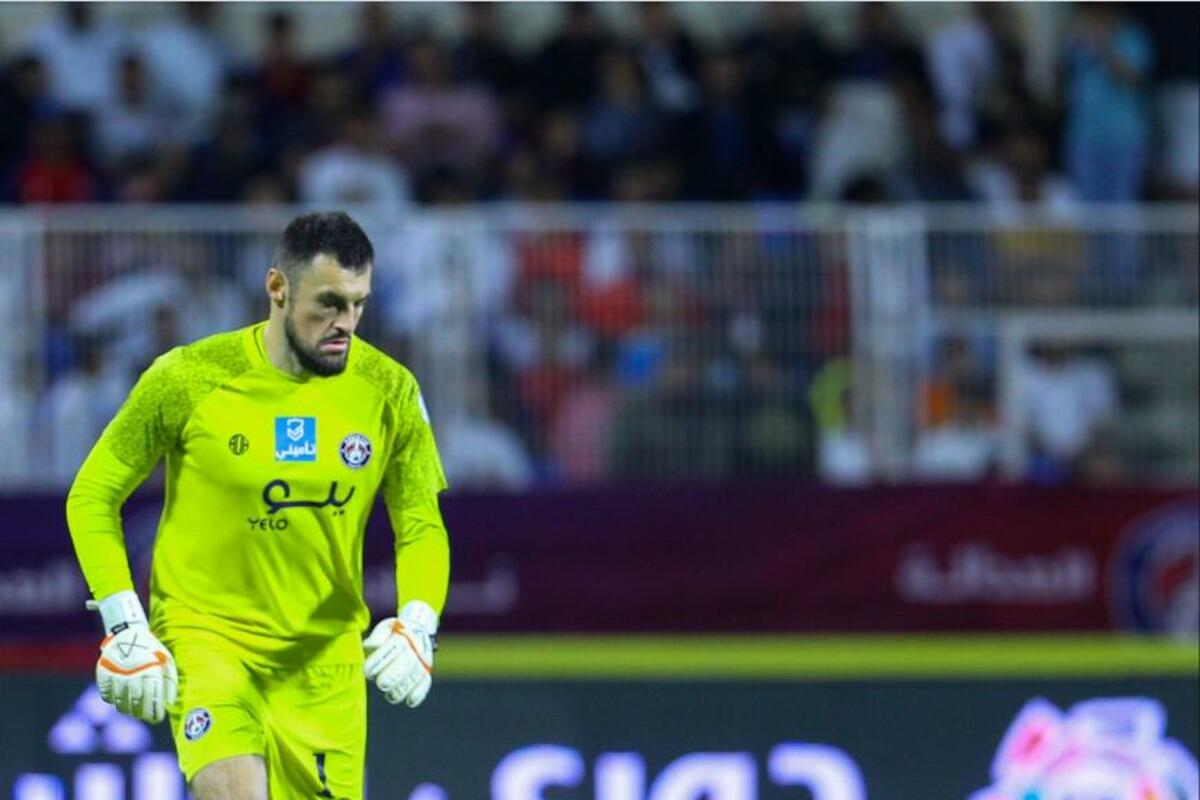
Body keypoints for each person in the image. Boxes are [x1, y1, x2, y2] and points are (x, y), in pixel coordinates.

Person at [65, 212, 451, 799]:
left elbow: (421, 524)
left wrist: (419, 625)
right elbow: (92, 494)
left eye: (358, 304)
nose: (345, 324)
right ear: (278, 288)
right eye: (328, 304)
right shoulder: (187, 377)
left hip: (325, 660)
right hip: (209, 639)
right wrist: (125, 624)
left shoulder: (390, 390)